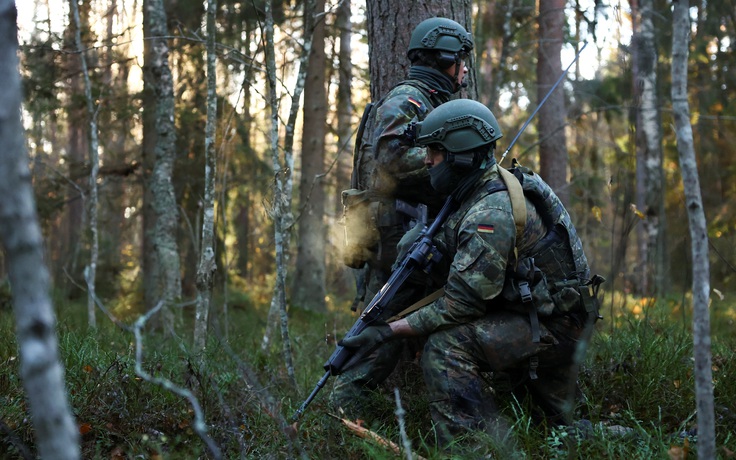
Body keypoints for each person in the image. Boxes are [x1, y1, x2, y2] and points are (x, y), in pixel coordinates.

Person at [333, 99, 602, 453]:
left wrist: (388, 331)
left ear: (461, 157)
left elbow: (461, 305)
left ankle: (468, 449)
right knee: (565, 433)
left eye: (435, 151)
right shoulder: (476, 191)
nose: (427, 160)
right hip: (540, 315)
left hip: (556, 327)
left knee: (445, 348)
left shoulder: (489, 213)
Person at [343, 17, 474, 311]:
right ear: (445, 58)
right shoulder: (408, 99)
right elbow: (391, 156)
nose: (465, 68)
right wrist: (454, 159)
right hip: (400, 233)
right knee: (382, 327)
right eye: (461, 59)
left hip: (415, 230)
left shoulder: (430, 101)